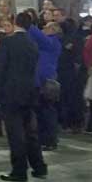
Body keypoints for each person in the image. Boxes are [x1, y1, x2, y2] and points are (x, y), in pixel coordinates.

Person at [0, 11, 46, 182]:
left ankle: (19, 170)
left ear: (15, 22)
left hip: (11, 93)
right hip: (29, 91)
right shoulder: (32, 43)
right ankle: (39, 167)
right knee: (31, 132)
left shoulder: (7, 42)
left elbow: (0, 70)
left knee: (15, 134)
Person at [29, 21, 61, 151]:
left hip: (47, 80)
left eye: (46, 27)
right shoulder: (44, 43)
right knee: (41, 111)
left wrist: (29, 23)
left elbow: (38, 35)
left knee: (48, 111)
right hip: (39, 80)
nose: (43, 29)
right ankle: (43, 139)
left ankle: (51, 139)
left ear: (53, 30)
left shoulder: (53, 42)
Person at [57, 11, 86, 134]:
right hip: (67, 71)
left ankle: (72, 122)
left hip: (70, 71)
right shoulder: (67, 38)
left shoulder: (72, 38)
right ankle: (71, 122)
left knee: (71, 98)